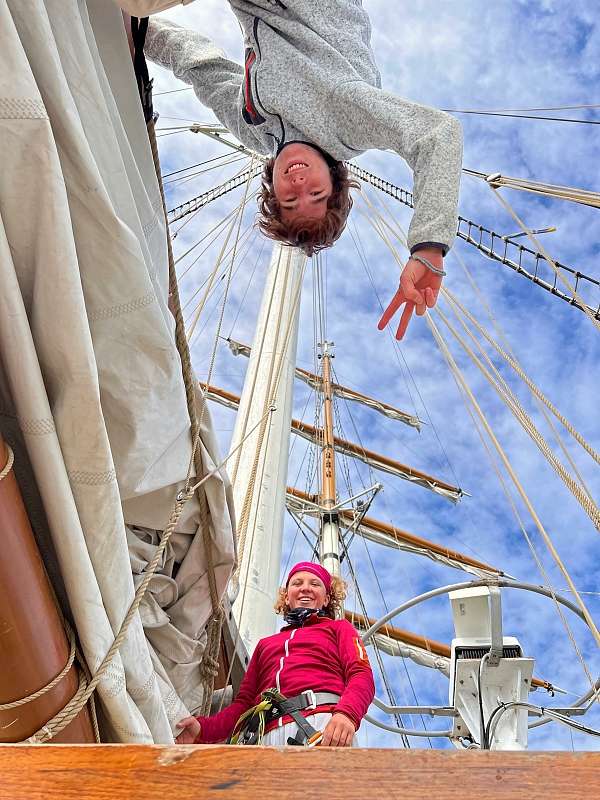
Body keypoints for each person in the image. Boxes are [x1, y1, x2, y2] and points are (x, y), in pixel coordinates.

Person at [139, 1, 462, 339]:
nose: (298, 184)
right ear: (335, 179)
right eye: (315, 193)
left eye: (290, 201)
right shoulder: (345, 124)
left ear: (274, 193)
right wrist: (429, 246)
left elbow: (199, 65)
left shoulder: (253, 128)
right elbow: (436, 134)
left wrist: (139, 29)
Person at [175, 561, 374, 746]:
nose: (305, 588)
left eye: (315, 583)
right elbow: (243, 704)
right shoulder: (265, 646)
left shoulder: (339, 629)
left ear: (326, 598)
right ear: (287, 596)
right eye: (297, 583)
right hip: (264, 737)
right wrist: (203, 729)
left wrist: (347, 714)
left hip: (323, 726)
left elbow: (361, 675)